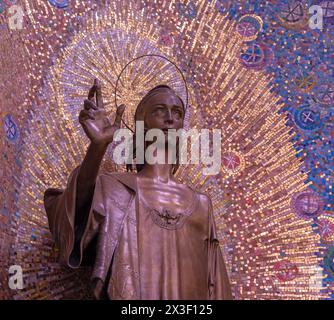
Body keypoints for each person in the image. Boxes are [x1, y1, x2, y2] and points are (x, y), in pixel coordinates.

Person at [44, 78, 232, 300]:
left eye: (177, 113)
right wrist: (97, 148)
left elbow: (217, 286)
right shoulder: (116, 189)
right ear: (142, 125)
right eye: (160, 111)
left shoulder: (201, 204)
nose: (170, 118)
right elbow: (72, 220)